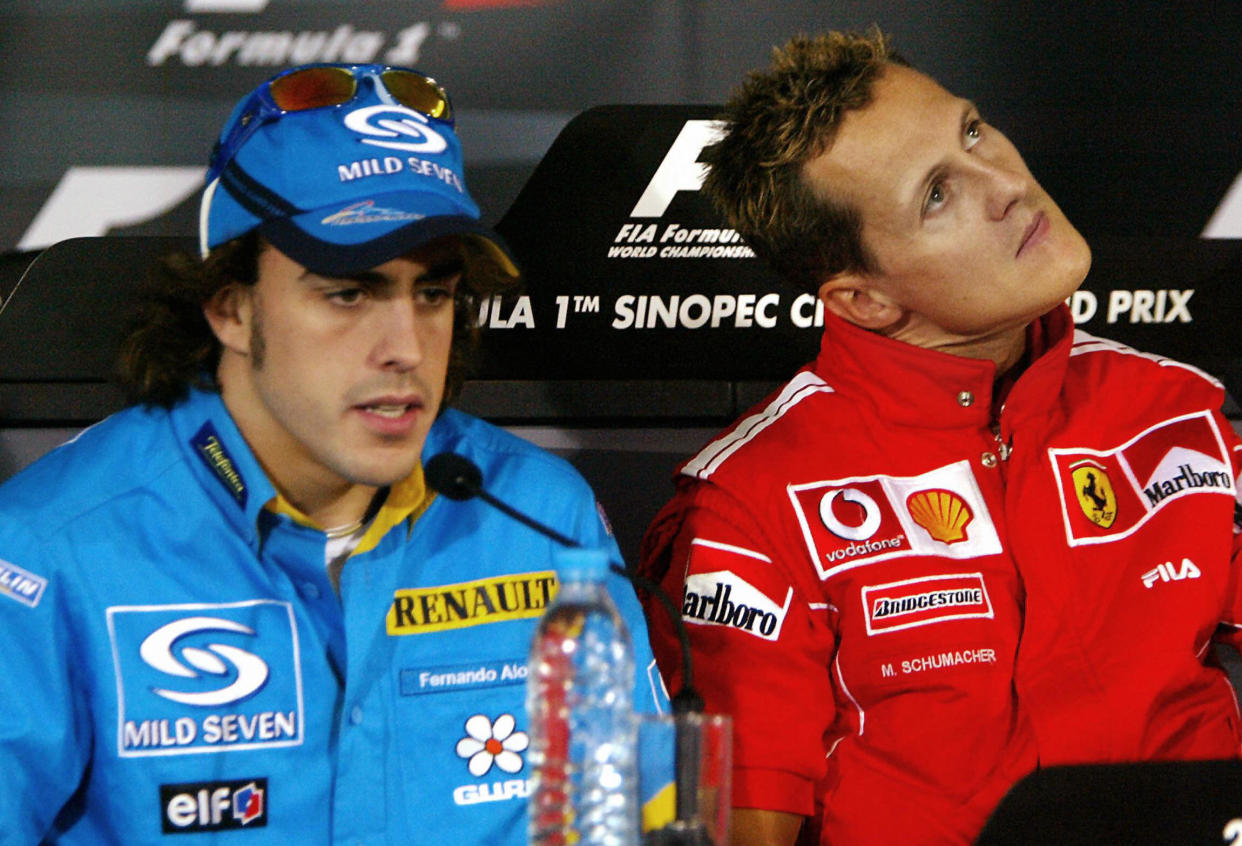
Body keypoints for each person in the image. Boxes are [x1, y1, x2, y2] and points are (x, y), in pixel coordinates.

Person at [0, 63, 666, 844]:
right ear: (232, 307)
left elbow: (639, 818)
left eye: (434, 293)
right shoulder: (48, 550)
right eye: (349, 292)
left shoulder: (543, 517)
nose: (406, 348)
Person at [637, 30, 1242, 846]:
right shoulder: (754, 506)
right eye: (936, 196)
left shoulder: (1173, 412)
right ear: (866, 301)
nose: (1004, 184)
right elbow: (738, 831)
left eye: (973, 131)